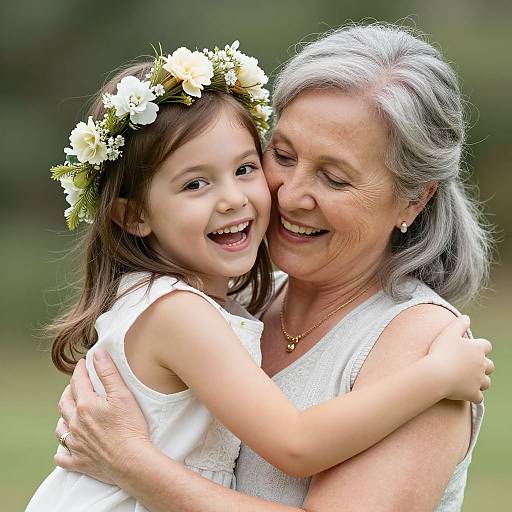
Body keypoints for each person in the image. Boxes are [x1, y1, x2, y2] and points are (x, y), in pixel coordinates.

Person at [47, 24, 493, 512]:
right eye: (280, 156)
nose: (289, 193)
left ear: (414, 198)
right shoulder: (237, 300)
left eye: (334, 177)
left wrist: (134, 465)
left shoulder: (425, 343)